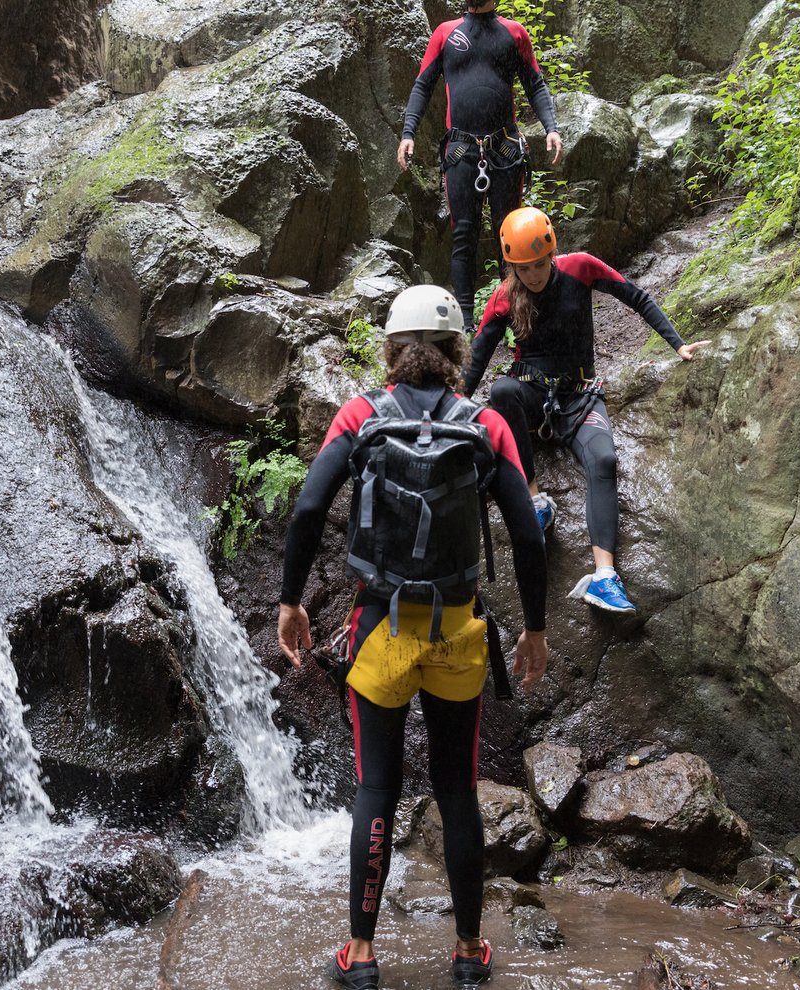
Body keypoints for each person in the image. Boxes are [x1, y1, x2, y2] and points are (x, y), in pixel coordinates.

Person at [277, 284, 549, 990]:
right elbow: (526, 532)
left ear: (393, 350)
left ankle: (361, 956)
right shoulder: (486, 424)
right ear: (459, 350)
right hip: (457, 633)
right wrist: (538, 629)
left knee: (378, 788)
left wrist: (290, 602)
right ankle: (466, 952)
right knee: (457, 789)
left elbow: (309, 507)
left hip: (380, 633)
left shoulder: (361, 415)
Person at [461, 206, 711, 616]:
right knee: (503, 391)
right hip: (531, 397)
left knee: (605, 459)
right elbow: (476, 362)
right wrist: (445, 409)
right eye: (524, 268)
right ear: (512, 267)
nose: (534, 274)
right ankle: (536, 501)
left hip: (580, 397)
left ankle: (605, 576)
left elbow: (636, 296)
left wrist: (677, 344)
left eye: (540, 264)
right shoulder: (505, 297)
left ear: (551, 254)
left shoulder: (580, 267)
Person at [397, 0, 565, 332]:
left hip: (504, 148)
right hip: (461, 150)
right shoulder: (445, 34)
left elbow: (534, 84)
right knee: (463, 235)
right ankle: (466, 325)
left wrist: (552, 127)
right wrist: (408, 132)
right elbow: (422, 85)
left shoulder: (514, 33)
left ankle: (514, 318)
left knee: (510, 235)